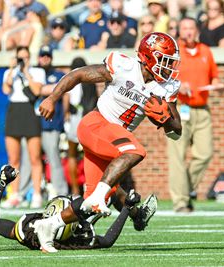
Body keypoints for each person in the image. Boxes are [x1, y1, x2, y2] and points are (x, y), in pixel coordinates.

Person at [38, 31, 181, 252]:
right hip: (95, 124)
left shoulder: (167, 87)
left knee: (90, 203)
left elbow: (176, 131)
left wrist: (166, 119)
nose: (169, 67)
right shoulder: (124, 67)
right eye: (165, 60)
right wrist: (52, 97)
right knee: (136, 151)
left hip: (112, 139)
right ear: (148, 57)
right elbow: (78, 75)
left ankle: (47, 225)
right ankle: (102, 198)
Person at [0, 165, 150, 251]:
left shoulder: (30, 230)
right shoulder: (74, 240)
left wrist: (2, 183)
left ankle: (137, 216)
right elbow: (107, 240)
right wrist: (127, 207)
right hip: (77, 225)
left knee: (107, 193)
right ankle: (138, 216)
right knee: (111, 191)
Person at [167, 17, 221, 213]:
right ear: (179, 31)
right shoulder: (173, 52)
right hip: (179, 108)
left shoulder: (205, 50)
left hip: (201, 108)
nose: (188, 31)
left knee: (205, 153)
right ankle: (181, 202)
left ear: (197, 30)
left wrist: (216, 84)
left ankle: (186, 189)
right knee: (177, 156)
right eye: (185, 28)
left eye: (191, 28)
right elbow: (164, 77)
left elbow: (214, 74)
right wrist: (180, 85)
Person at [1, 46, 45, 209]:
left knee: (34, 157)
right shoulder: (9, 73)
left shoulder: (38, 72)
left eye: (25, 57)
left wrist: (26, 72)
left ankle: (37, 194)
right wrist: (13, 70)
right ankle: (14, 194)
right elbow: (6, 89)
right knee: (14, 159)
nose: (23, 60)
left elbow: (37, 90)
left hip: (29, 111)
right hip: (14, 111)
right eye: (20, 57)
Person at [64, 57, 99, 196]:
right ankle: (90, 188)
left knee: (72, 154)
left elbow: (68, 100)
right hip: (88, 118)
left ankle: (74, 190)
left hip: (74, 117)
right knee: (90, 155)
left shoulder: (72, 79)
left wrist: (66, 113)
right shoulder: (90, 81)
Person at [38, 45, 68, 197]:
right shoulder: (34, 73)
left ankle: (61, 191)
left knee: (53, 158)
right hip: (32, 125)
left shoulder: (57, 75)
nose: (45, 59)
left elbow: (62, 90)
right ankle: (32, 192)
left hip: (51, 124)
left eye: (47, 56)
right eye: (42, 56)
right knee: (32, 161)